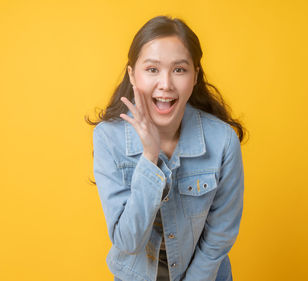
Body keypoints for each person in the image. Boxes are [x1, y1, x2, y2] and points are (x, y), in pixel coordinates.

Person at [89, 15, 246, 281]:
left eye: (179, 69)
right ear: (132, 74)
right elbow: (127, 241)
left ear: (195, 75)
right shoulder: (108, 138)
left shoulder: (223, 141)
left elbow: (221, 233)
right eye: (152, 69)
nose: (165, 84)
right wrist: (149, 158)